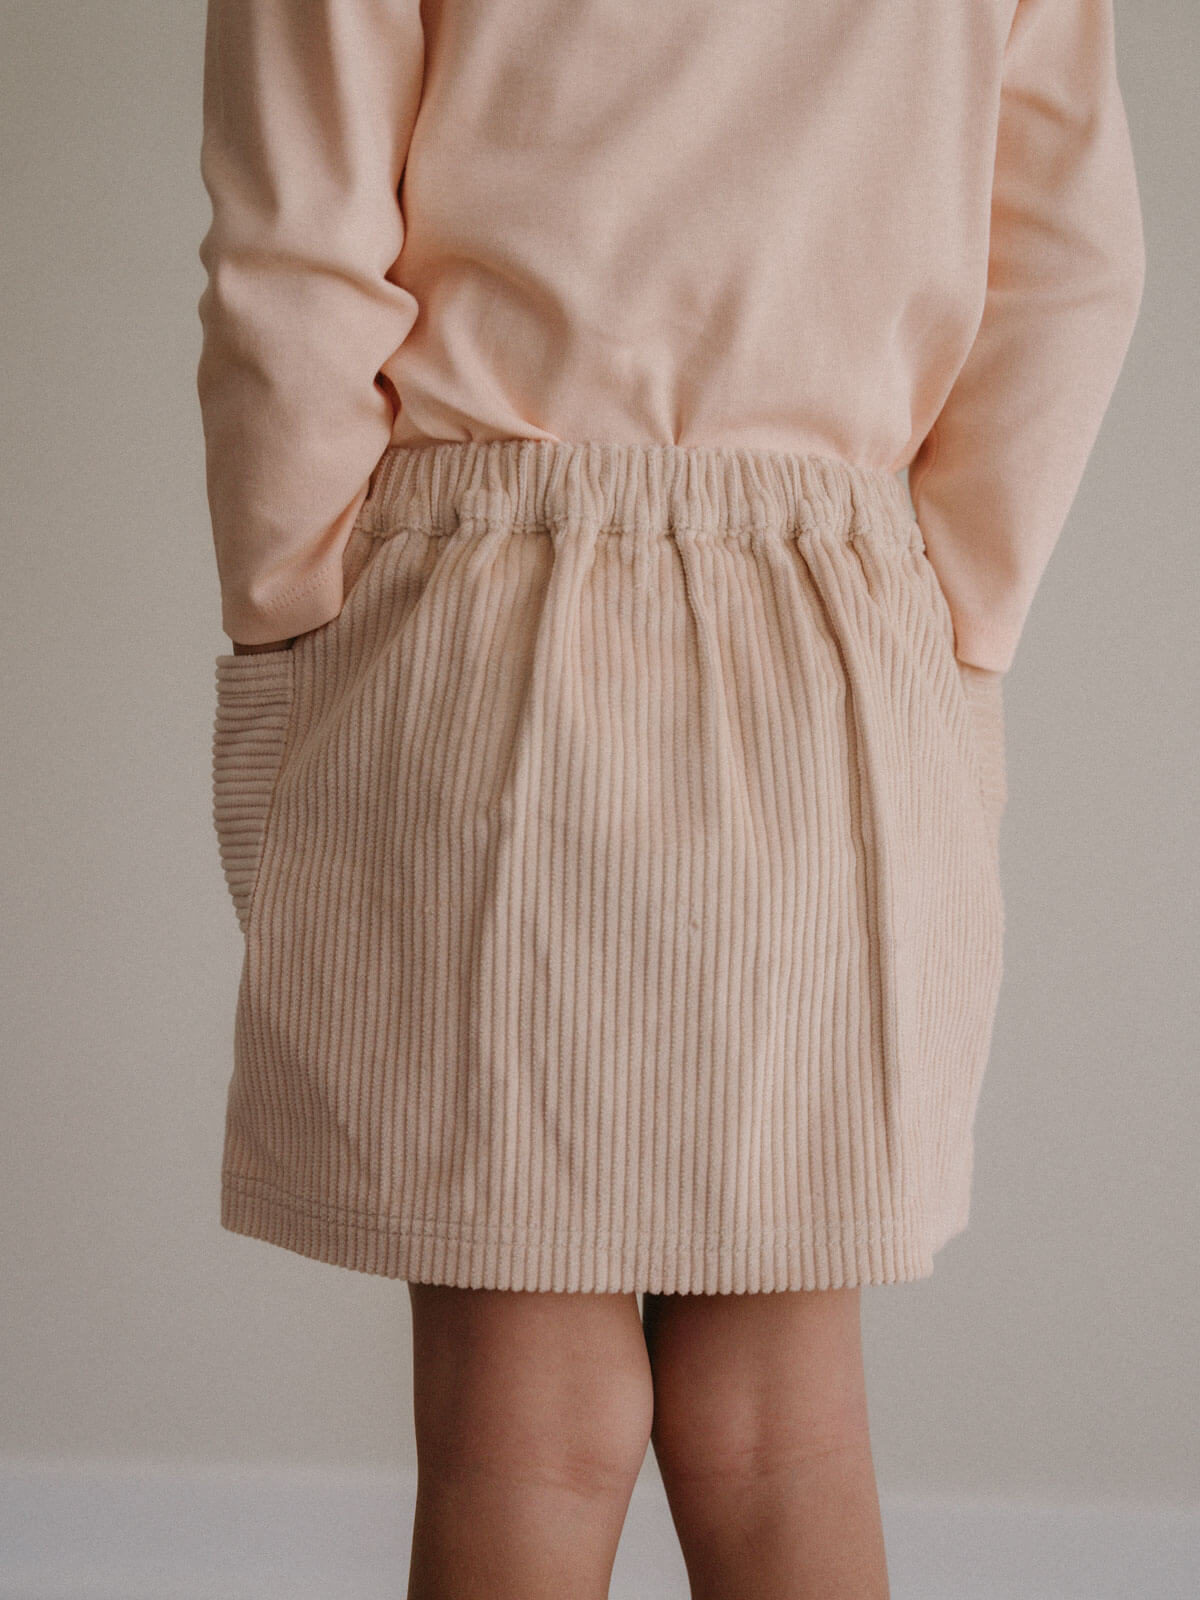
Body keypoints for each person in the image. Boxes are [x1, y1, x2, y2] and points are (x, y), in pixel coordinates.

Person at [195, 3, 1146, 1595]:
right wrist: (941, 616)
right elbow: (1066, 267)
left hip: (477, 612)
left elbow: (292, 258)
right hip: (841, 627)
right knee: (788, 1428)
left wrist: (294, 608)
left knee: (520, 1423)